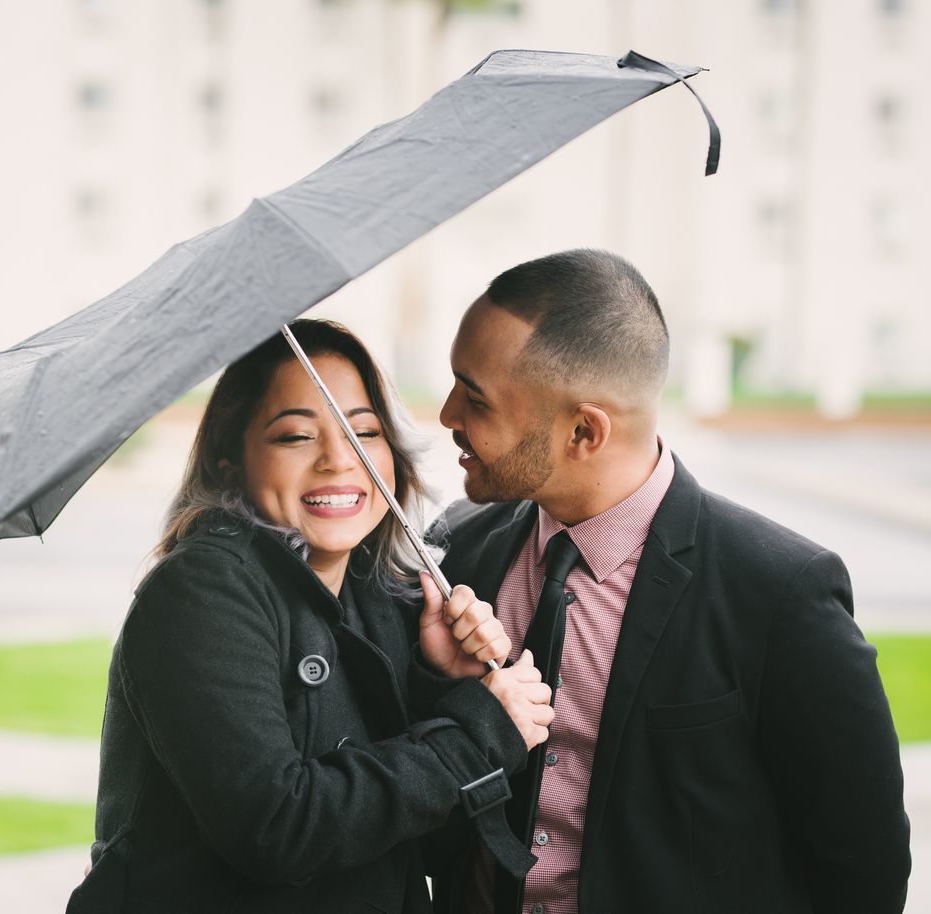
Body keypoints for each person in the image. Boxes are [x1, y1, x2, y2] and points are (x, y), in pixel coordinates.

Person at [428, 249, 911, 914]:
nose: (447, 413)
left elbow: (862, 870)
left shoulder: (779, 593)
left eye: (474, 397)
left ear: (583, 430)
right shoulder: (459, 549)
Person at [67, 319, 554, 914]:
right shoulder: (200, 595)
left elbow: (415, 835)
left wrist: (439, 680)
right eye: (296, 436)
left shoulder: (376, 599)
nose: (337, 460)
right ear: (229, 464)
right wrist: (481, 730)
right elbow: (277, 828)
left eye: (365, 431)